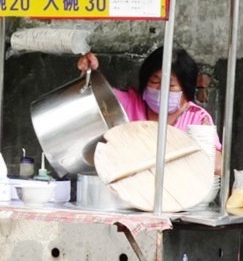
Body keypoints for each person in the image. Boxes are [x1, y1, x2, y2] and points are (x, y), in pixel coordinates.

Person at [77, 46, 223, 170]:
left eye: (171, 86)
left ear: (186, 91)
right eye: (155, 81)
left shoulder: (197, 118)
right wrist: (91, 70)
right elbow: (96, 94)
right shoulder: (128, 103)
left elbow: (217, 166)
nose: (162, 90)